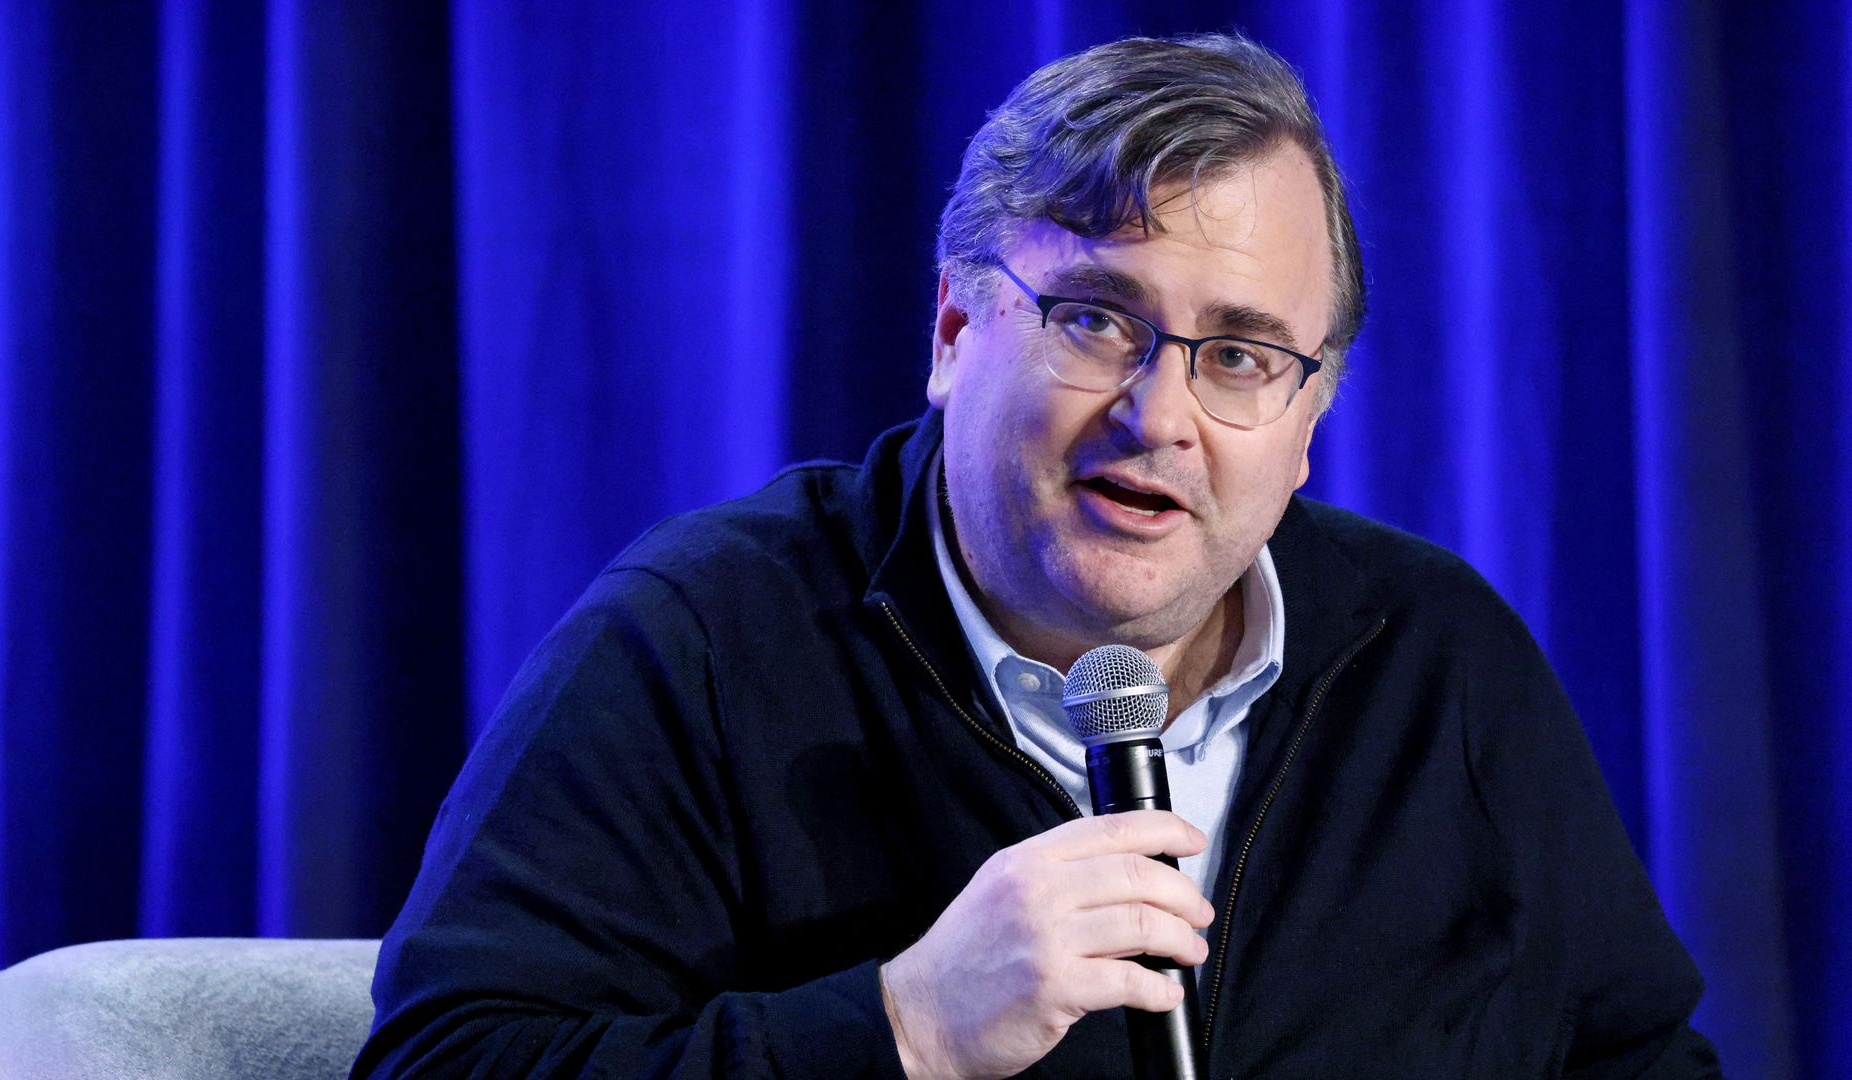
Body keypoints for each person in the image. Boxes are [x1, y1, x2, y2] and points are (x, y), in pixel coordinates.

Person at [352, 33, 1721, 1079]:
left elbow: (1639, 1059)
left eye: (1241, 356)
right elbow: (441, 1063)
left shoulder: (1436, 652)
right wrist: (901, 1029)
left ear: (1307, 425)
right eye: (1095, 318)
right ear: (955, 332)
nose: (1158, 415)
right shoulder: (705, 638)